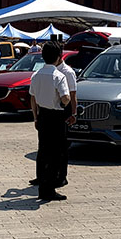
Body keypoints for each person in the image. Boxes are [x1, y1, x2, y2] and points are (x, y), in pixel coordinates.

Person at [30, 42, 71, 202]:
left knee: (43, 151)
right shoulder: (59, 76)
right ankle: (50, 189)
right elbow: (66, 98)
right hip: (56, 116)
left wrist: (35, 116)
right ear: (58, 57)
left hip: (42, 115)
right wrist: (65, 104)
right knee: (56, 153)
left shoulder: (36, 75)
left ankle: (42, 185)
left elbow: (32, 98)